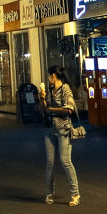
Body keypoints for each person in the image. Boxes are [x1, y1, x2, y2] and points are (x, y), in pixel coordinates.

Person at [40, 66, 81, 206]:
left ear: (53, 76)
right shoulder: (51, 90)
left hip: (63, 129)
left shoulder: (65, 89)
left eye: (49, 76)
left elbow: (68, 110)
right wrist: (43, 99)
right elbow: (45, 111)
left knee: (65, 161)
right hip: (50, 129)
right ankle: (49, 193)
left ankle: (75, 193)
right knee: (50, 163)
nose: (48, 79)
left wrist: (51, 110)